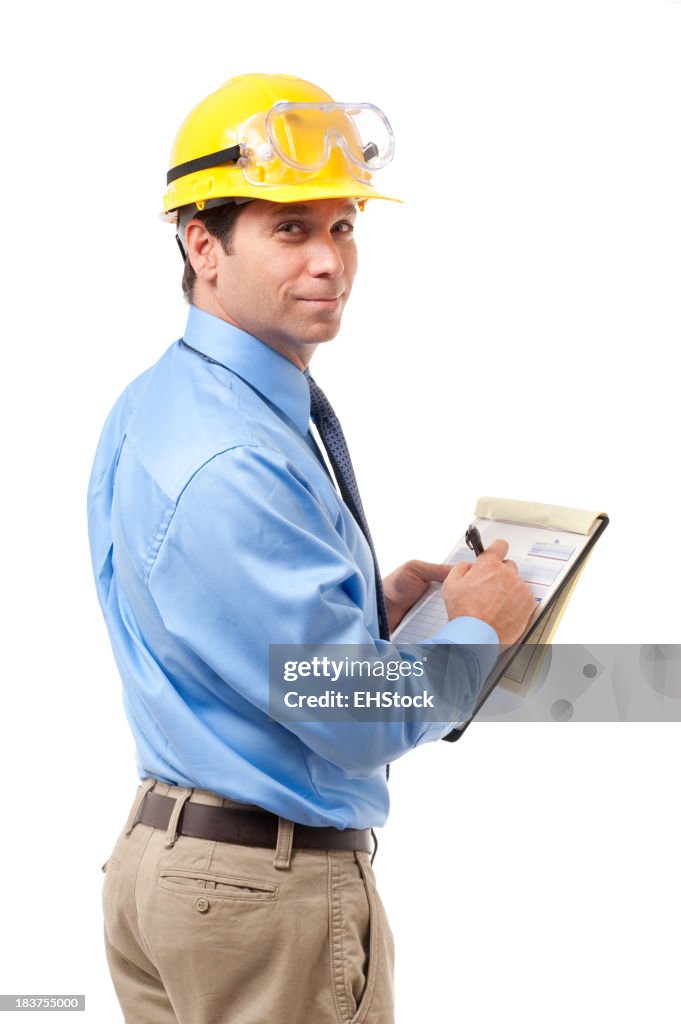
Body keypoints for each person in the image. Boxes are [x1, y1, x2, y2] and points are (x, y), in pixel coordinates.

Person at [87, 72, 535, 1024]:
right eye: (290, 228)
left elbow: (200, 626)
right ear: (201, 244)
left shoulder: (166, 402)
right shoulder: (234, 456)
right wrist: (477, 634)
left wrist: (366, 611)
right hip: (261, 896)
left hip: (182, 867)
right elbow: (353, 717)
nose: (329, 260)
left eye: (342, 226)